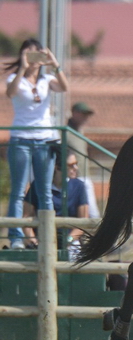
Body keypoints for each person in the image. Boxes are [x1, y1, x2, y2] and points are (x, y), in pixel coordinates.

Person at [4, 38, 69, 250]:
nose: (32, 57)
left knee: (45, 191)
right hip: (21, 138)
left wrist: (54, 63)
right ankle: (15, 238)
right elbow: (10, 93)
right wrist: (23, 68)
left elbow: (64, 87)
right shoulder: (16, 77)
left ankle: (48, 238)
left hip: (45, 139)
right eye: (28, 52)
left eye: (36, 53)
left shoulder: (47, 79)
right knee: (18, 190)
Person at [23, 151, 88, 259]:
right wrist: (33, 240)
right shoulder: (38, 186)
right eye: (71, 165)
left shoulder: (79, 186)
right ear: (57, 167)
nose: (76, 168)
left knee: (73, 259)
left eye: (76, 164)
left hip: (70, 241)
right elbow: (26, 216)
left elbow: (83, 221)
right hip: (42, 240)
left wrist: (69, 240)